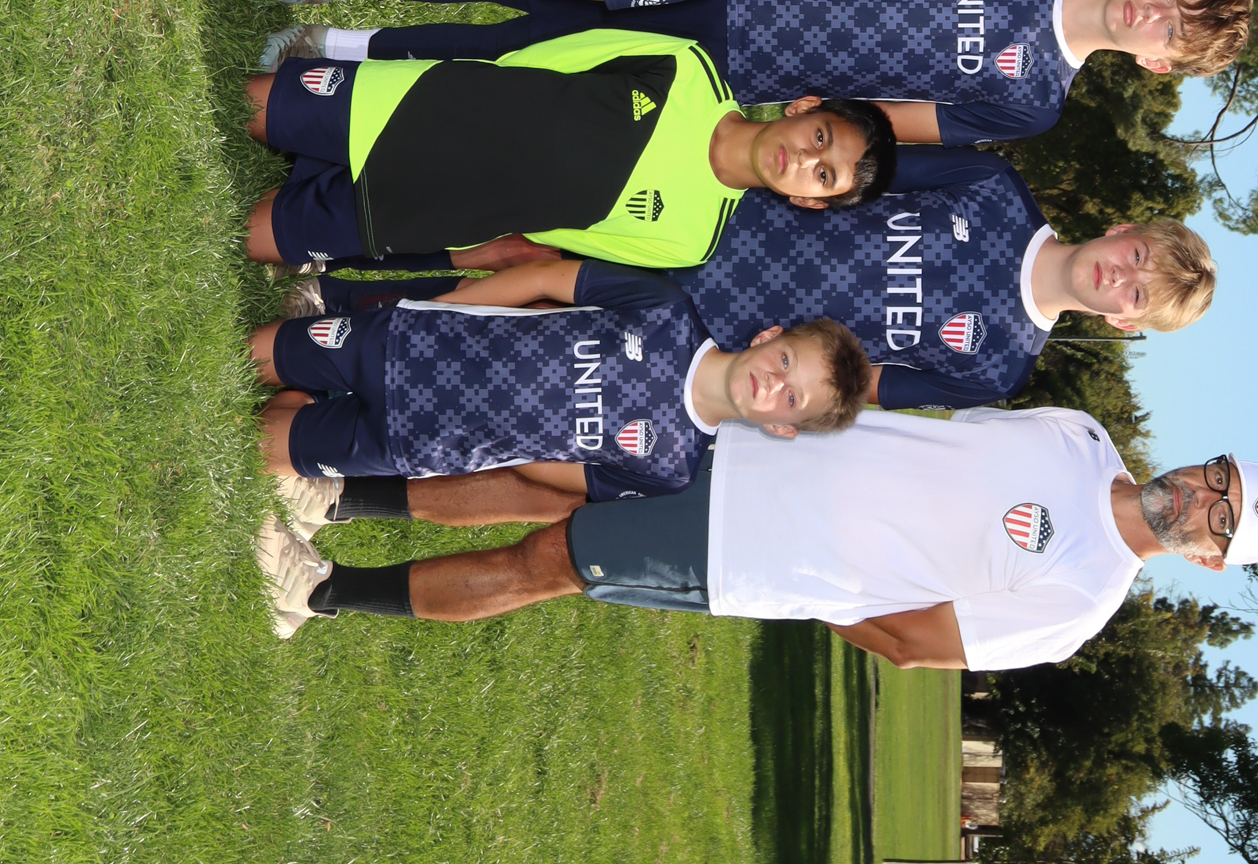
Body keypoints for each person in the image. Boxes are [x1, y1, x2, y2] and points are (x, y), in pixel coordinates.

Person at [254, 401, 1258, 660]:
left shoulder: (1081, 602)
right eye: (1220, 475)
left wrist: (807, 581)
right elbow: (928, 432)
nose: (1202, 493)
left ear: (1209, 558)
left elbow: (915, 642)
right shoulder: (1081, 434)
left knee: (545, 561)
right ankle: (338, 496)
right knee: (543, 473)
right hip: (755, 443)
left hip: (744, 551)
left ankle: (318, 592)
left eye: (1220, 514)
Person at [311, 154, 1209, 410]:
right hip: (724, 223)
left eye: (1138, 296)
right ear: (1123, 231)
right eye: (1138, 257)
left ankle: (358, 321)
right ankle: (349, 268)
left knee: (544, 311)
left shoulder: (1000, 367)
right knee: (524, 241)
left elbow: (866, 389)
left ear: (1125, 325)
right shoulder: (996, 190)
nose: (1121, 278)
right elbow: (865, 168)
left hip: (723, 338)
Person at [247, 265, 870, 625]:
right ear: (769, 336)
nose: (774, 384)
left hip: (422, 441)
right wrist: (437, 311)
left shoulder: (673, 466)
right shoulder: (668, 310)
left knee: (256, 448)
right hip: (410, 345)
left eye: (792, 399)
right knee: (251, 358)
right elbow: (547, 278)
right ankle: (308, 388)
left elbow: (564, 473)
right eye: (786, 361)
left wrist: (492, 442)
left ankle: (307, 449)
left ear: (782, 428)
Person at [267, 0, 1255, 147]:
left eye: (1172, 33)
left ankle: (337, 55)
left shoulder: (1033, 101)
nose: (1155, 14)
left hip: (747, 68)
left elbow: (901, 123)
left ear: (1157, 62)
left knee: (528, 62)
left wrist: (807, 120)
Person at [240, 23, 899, 273]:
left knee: (255, 235)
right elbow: (547, 60)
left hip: (435, 209)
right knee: (252, 107)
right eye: (820, 138)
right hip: (425, 106)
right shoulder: (687, 67)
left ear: (809, 202)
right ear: (805, 108)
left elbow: (560, 231)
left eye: (824, 176)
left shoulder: (692, 241)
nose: (805, 160)